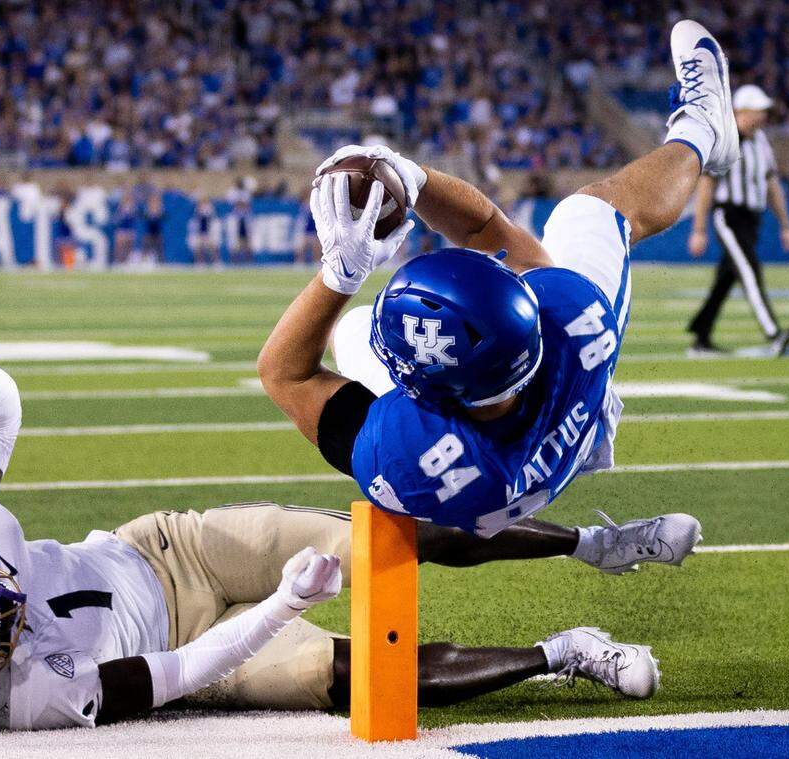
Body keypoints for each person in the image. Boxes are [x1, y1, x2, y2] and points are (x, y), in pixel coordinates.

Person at [0, 341, 672, 731]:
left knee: (403, 534)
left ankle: (590, 545)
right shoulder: (18, 701)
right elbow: (181, 670)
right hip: (200, 642)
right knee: (370, 674)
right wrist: (281, 605)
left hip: (168, 547)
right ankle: (563, 651)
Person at [257, 20, 728, 537]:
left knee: (351, 328)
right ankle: (701, 126)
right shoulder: (571, 319)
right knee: (593, 214)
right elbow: (489, 229)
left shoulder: (407, 455)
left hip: (500, 482)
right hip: (576, 412)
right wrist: (415, 177)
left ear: (419, 391)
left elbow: (287, 374)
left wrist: (342, 272)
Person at [687, 84, 789, 357]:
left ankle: (701, 337)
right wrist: (699, 230)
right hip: (729, 214)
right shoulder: (725, 139)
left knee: (727, 278)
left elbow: (772, 185)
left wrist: (785, 225)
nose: (763, 117)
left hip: (752, 219)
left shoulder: (761, 141)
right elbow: (706, 186)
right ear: (740, 111)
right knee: (749, 270)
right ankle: (774, 332)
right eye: (758, 111)